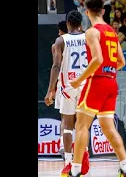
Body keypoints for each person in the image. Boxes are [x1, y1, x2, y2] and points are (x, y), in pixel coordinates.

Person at [69, 0, 126, 176]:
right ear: (103, 11)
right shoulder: (112, 32)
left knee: (81, 126)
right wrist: (108, 69)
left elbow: (97, 59)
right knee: (108, 128)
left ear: (87, 12)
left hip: (97, 82)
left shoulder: (92, 32)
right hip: (111, 82)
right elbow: (121, 61)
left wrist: (78, 80)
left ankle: (75, 171)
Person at [44, 10, 90, 176]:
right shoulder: (89, 38)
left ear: (68, 24)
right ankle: (84, 154)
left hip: (69, 86)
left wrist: (50, 90)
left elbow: (56, 66)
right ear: (81, 24)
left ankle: (69, 163)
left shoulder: (61, 40)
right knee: (83, 124)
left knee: (68, 125)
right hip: (86, 85)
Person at [50, 21, 68, 158]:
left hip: (62, 82)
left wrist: (52, 89)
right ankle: (81, 147)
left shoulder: (56, 45)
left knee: (64, 117)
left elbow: (56, 66)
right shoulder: (80, 42)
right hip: (77, 81)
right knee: (79, 118)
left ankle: (62, 143)